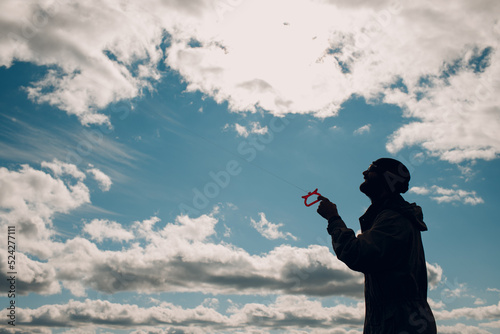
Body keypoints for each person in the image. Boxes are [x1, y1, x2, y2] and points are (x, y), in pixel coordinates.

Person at [317, 158, 436, 334]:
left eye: (371, 169)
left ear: (386, 179)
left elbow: (356, 254)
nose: (364, 173)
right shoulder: (389, 217)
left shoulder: (393, 220)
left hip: (400, 324)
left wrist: (334, 219)